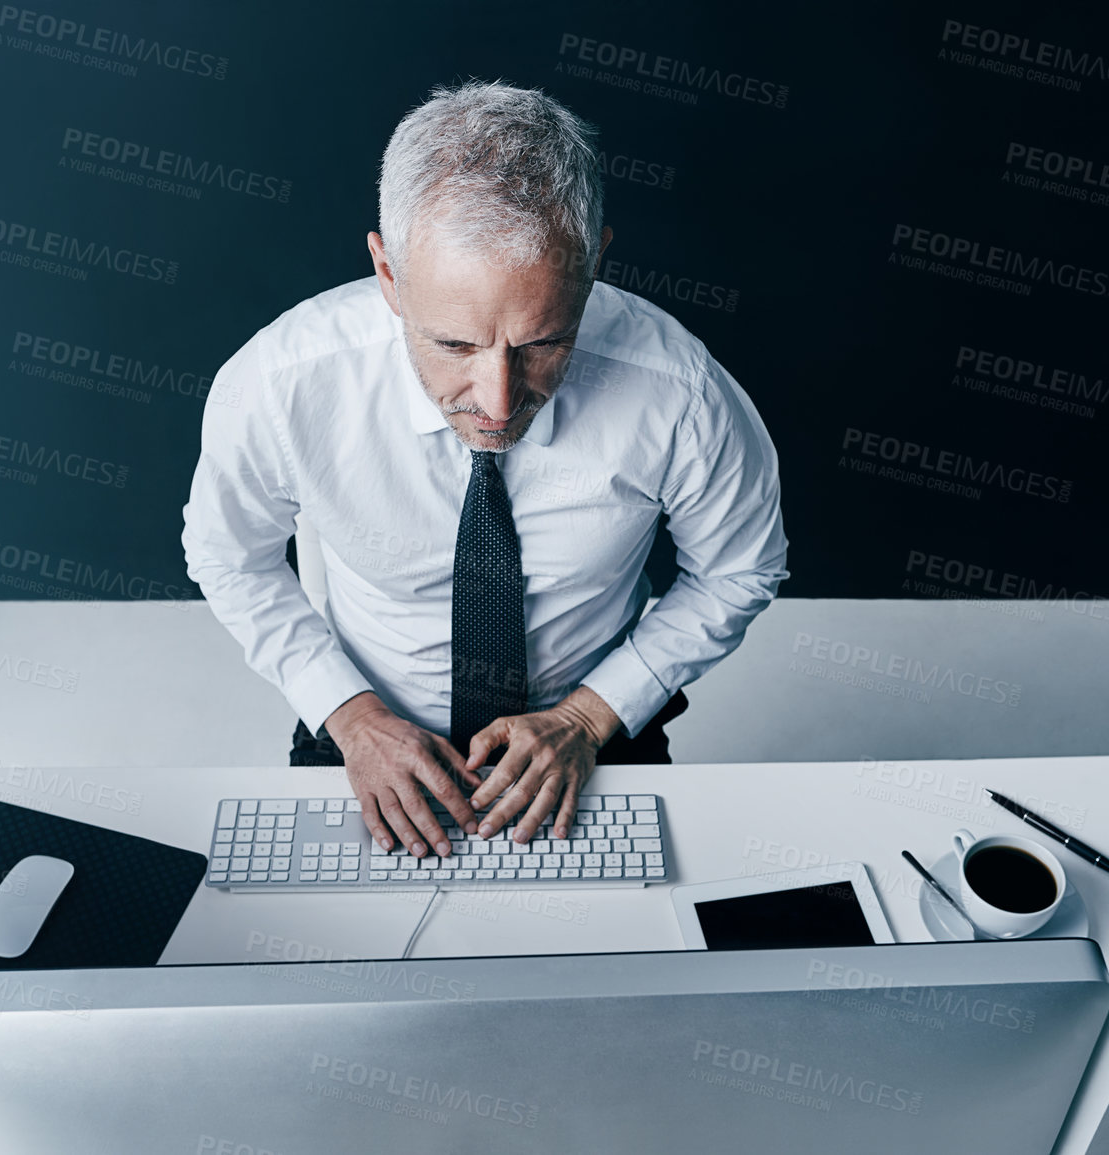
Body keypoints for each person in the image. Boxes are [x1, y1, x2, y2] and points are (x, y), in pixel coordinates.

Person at [183, 79, 788, 861]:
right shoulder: (282, 383)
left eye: (541, 342)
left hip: (589, 726)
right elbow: (228, 555)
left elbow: (741, 568)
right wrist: (351, 716)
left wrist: (589, 715)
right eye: (455, 346)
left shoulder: (681, 393)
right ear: (388, 275)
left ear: (594, 261)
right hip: (364, 723)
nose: (498, 403)